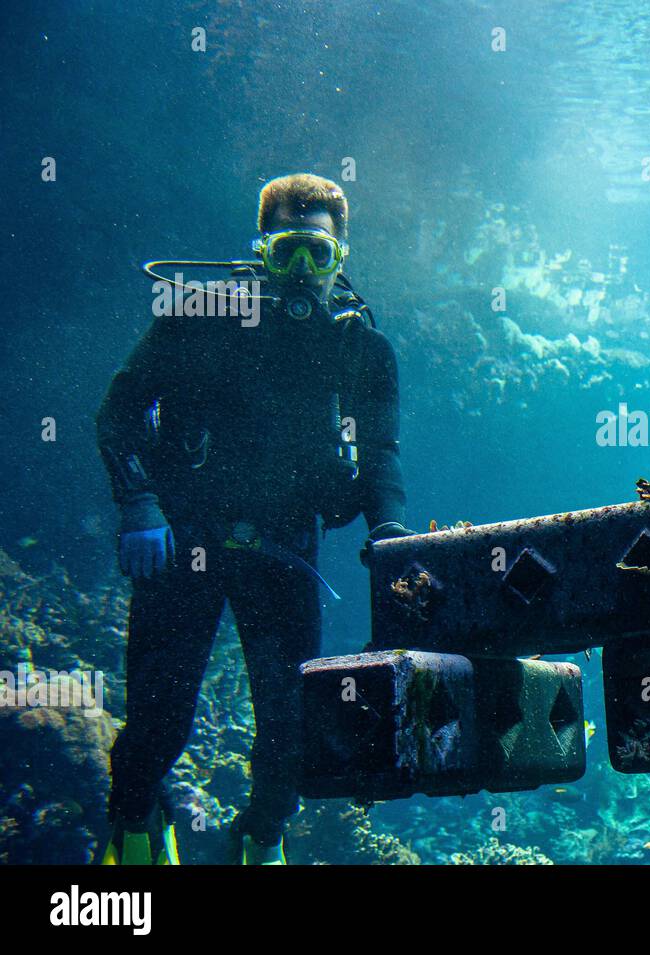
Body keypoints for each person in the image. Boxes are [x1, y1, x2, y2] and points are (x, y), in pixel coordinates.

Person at [96, 174, 414, 864]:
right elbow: (119, 413)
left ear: (341, 257)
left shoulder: (361, 348)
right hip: (184, 541)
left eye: (317, 255)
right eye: (286, 253)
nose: (302, 273)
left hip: (283, 551)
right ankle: (136, 822)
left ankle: (259, 836)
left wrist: (390, 534)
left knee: (290, 729)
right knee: (158, 714)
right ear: (259, 253)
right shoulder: (196, 318)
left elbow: (381, 452)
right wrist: (139, 505)